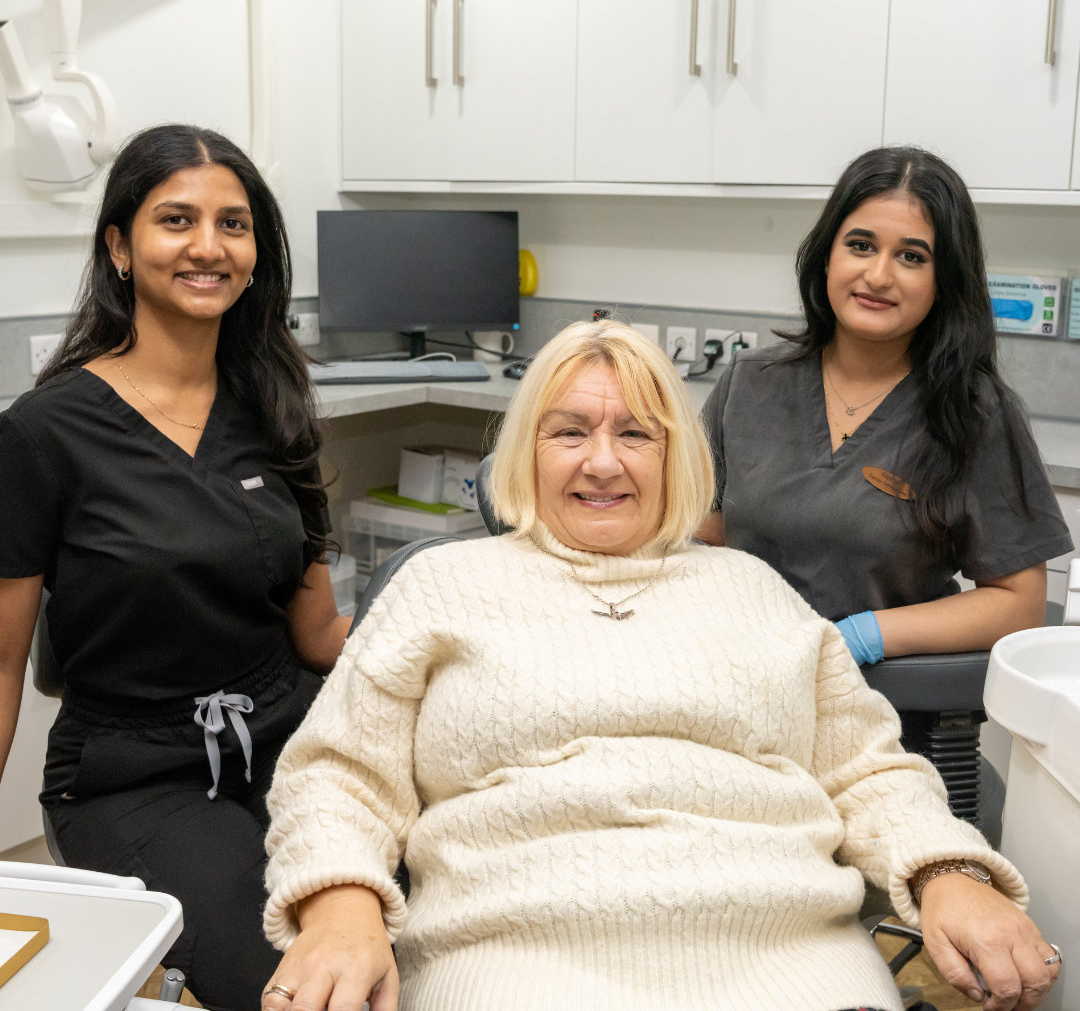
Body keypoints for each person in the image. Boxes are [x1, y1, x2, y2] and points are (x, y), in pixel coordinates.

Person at [258, 320, 1060, 1011]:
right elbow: (338, 775)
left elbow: (869, 772)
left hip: (788, 962)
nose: (602, 463)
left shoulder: (752, 588)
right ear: (525, 451)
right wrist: (340, 905)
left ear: (675, 455)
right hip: (515, 961)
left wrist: (951, 870)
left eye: (635, 434)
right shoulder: (443, 586)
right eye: (569, 431)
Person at [0, 124, 350, 1011]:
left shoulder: (276, 405)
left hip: (289, 741)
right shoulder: (45, 434)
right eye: (176, 220)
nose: (208, 247)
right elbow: (1, 661)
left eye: (233, 224)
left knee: (409, 938)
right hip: (135, 774)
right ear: (120, 246)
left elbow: (316, 636)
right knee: (294, 988)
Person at [698, 146, 1072, 669]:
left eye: (911, 256)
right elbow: (701, 538)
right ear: (828, 254)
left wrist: (863, 636)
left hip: (883, 705)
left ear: (944, 282)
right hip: (738, 678)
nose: (877, 275)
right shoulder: (750, 384)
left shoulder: (975, 413)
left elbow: (1020, 603)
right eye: (860, 245)